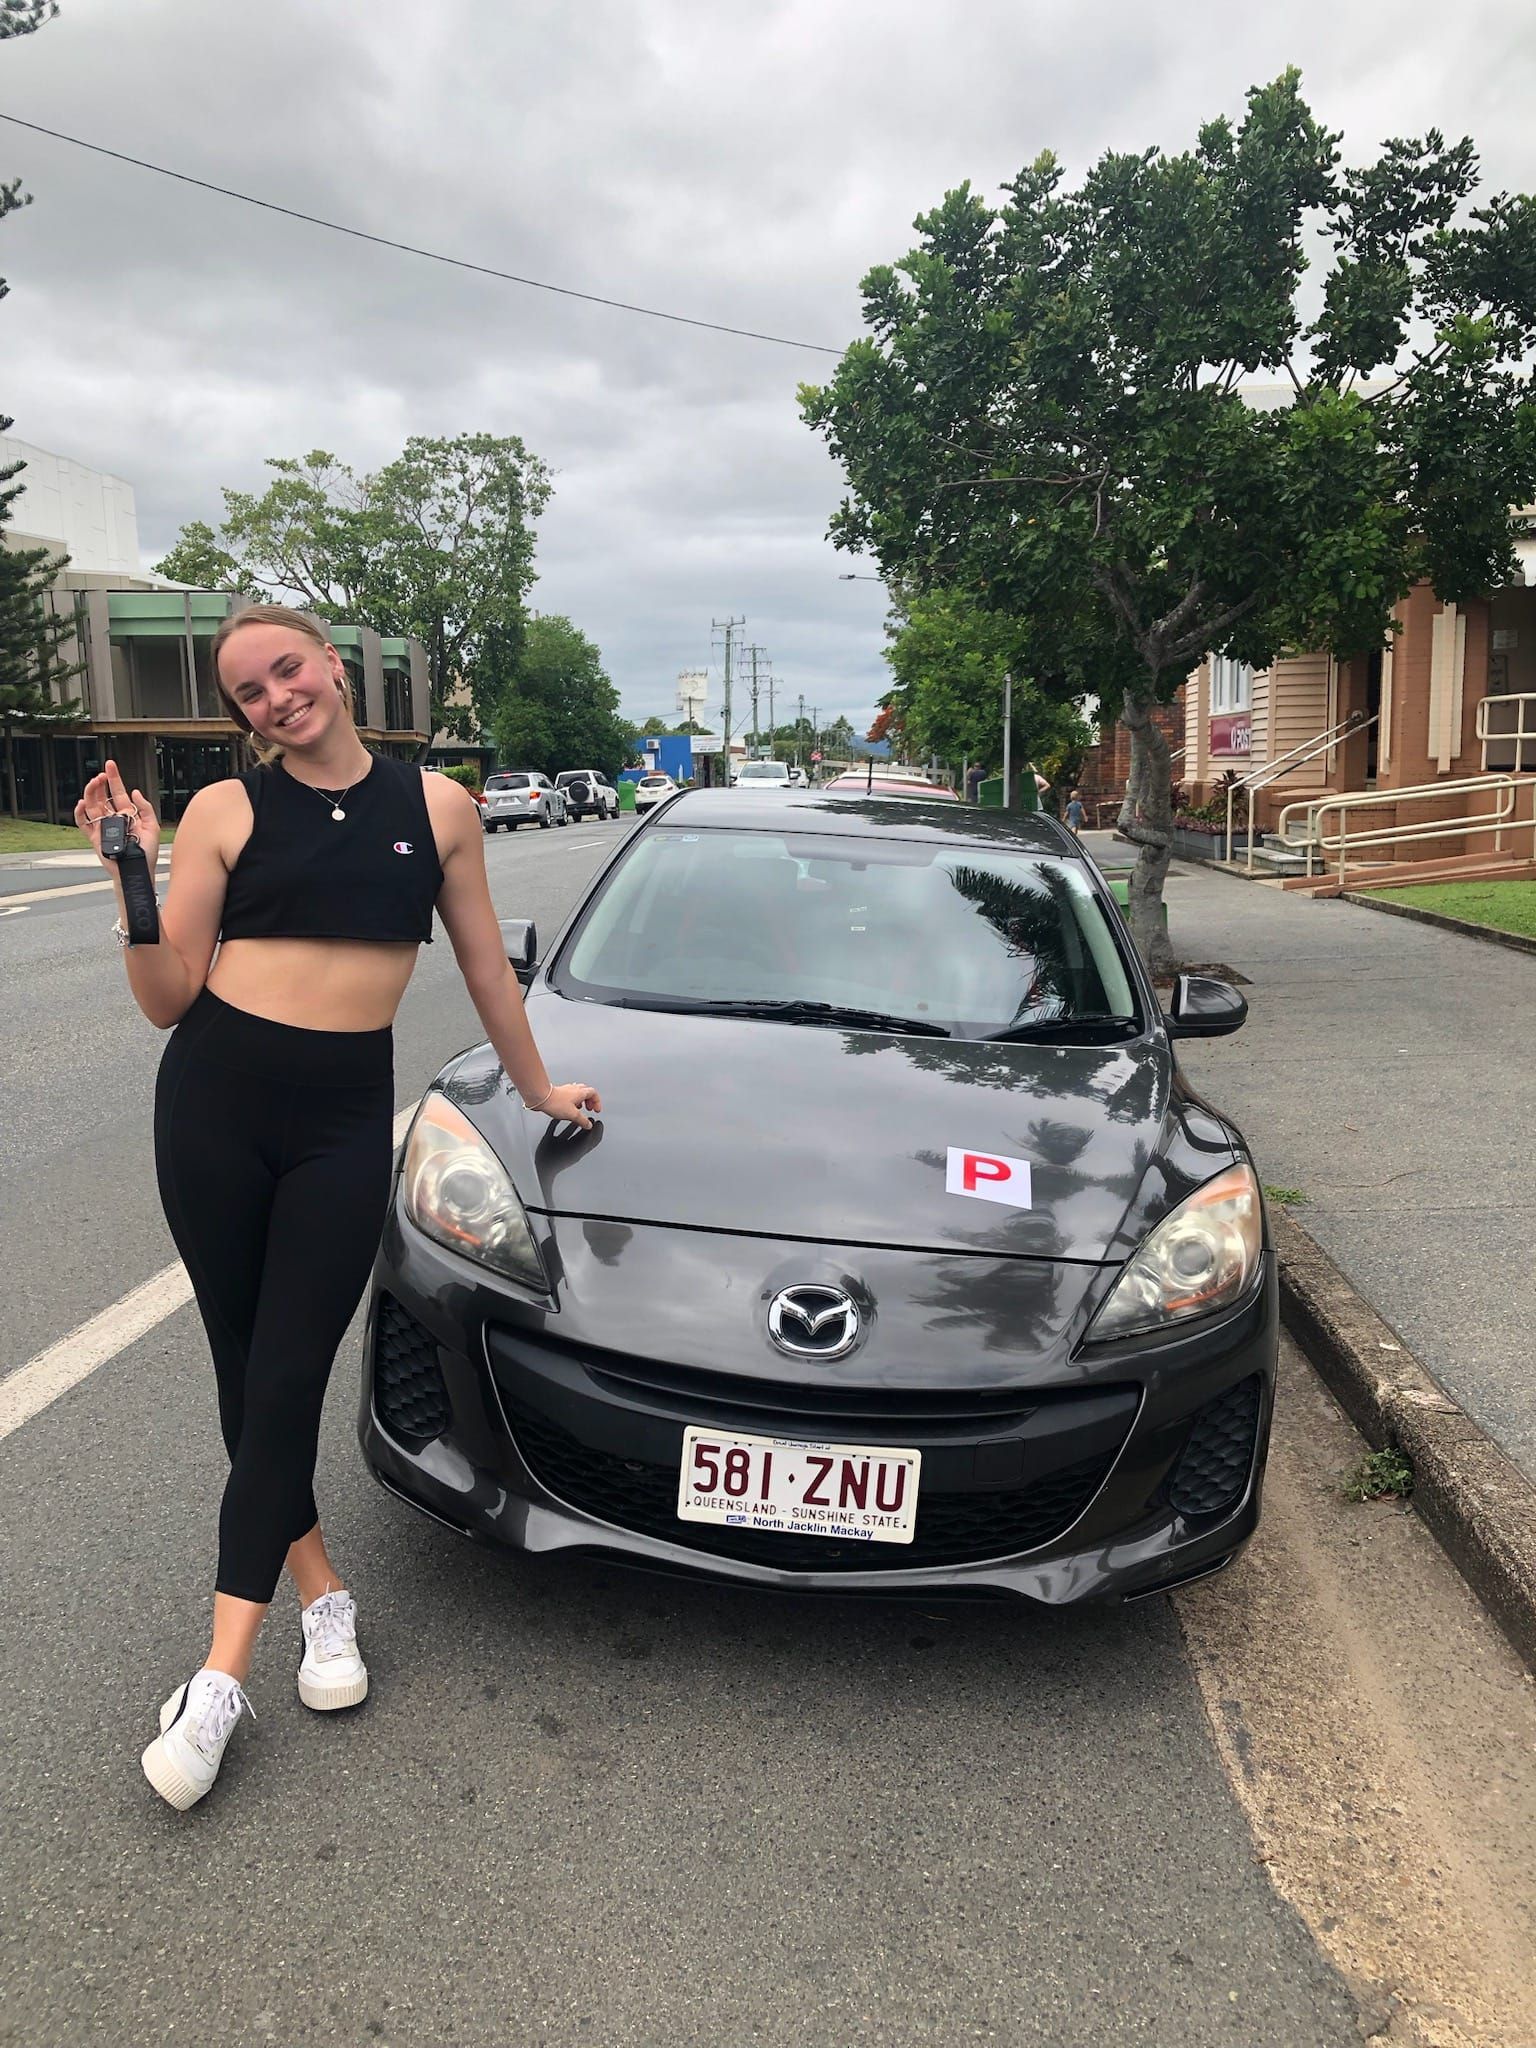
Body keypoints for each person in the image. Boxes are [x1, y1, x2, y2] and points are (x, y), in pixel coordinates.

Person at [74, 603, 601, 1812]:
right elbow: (165, 998)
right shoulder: (224, 811)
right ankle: (322, 1592)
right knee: (243, 1363)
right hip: (213, 1101)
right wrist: (128, 869)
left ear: (333, 667)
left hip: (342, 1121)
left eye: (287, 668)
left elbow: (480, 965)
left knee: (289, 1372)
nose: (274, 697)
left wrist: (536, 1088)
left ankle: (218, 1677)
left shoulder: (439, 809)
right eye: (248, 690)